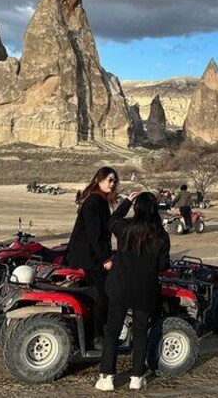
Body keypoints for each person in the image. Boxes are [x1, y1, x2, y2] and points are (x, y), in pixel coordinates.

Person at [97, 191, 170, 392]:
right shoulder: (161, 235)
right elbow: (163, 265)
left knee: (112, 331)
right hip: (144, 289)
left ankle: (107, 377)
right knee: (140, 333)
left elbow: (112, 220)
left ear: (136, 208)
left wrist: (127, 201)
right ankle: (136, 377)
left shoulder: (125, 228)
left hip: (119, 287)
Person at [66, 166, 119, 348]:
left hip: (92, 254)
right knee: (104, 294)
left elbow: (109, 227)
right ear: (99, 179)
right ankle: (98, 337)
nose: (112, 184)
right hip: (88, 256)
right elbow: (95, 234)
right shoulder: (94, 201)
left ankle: (95, 333)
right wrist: (105, 259)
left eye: (114, 181)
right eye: (109, 180)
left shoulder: (100, 200)